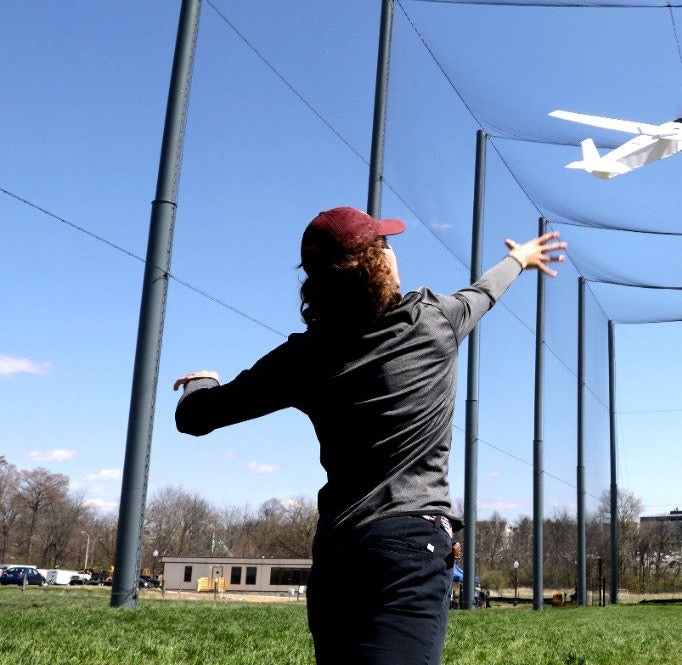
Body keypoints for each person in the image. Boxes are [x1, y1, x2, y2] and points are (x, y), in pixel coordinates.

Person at [172, 205, 566, 664]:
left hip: (339, 551)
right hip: (409, 549)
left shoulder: (305, 358)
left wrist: (203, 381)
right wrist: (519, 258)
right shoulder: (433, 321)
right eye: (387, 245)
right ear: (381, 265)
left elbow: (195, 417)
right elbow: (484, 292)